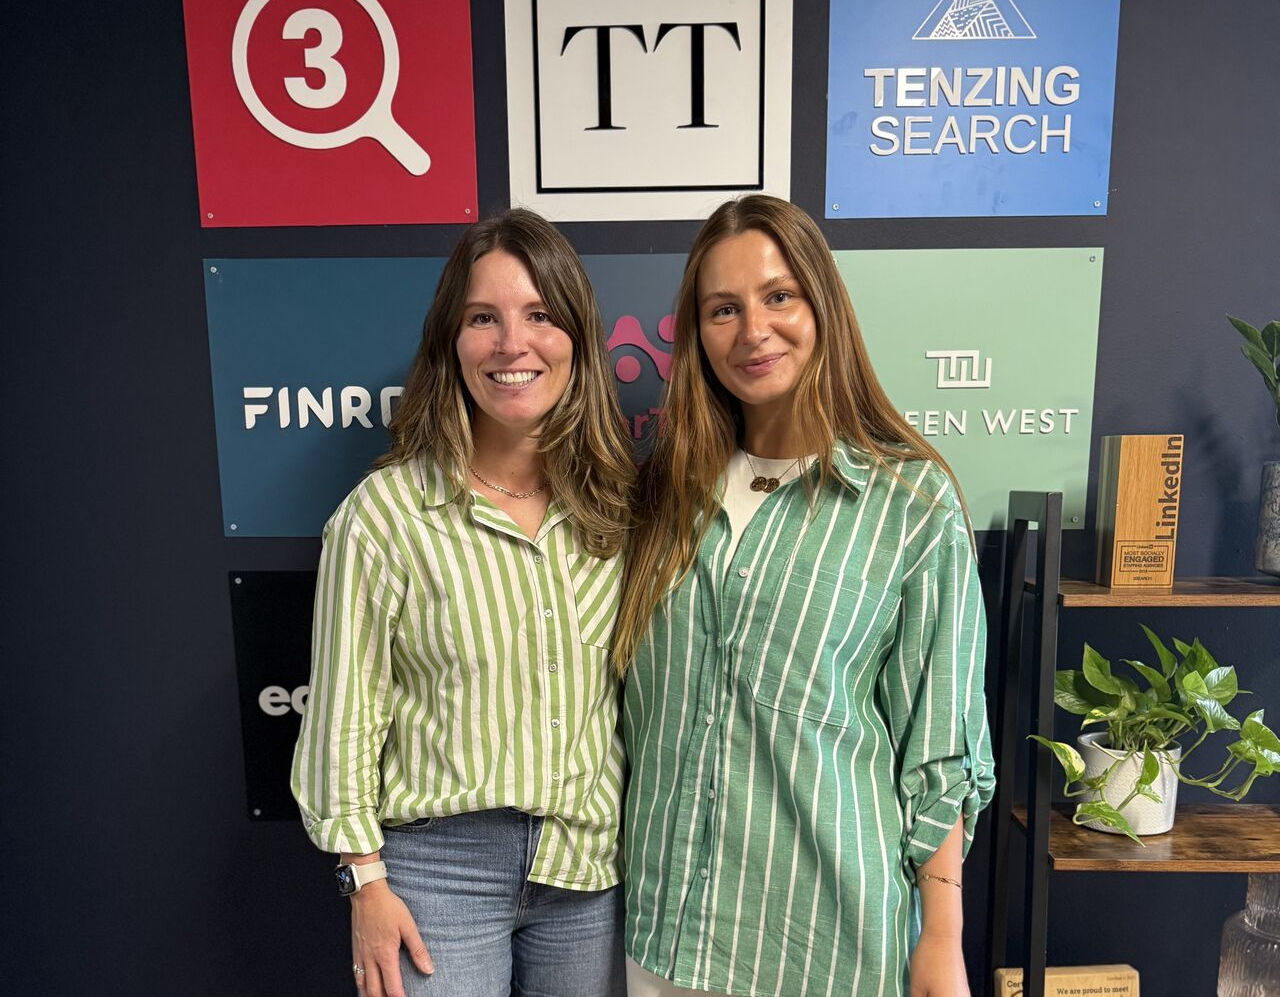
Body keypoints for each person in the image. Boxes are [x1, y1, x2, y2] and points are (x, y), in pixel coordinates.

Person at [612, 195, 996, 997]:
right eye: (723, 309)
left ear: (822, 304)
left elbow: (940, 745)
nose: (753, 330)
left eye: (778, 296)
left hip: (827, 950)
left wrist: (942, 937)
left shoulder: (910, 505)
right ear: (697, 333)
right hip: (665, 939)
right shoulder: (658, 498)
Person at [292, 209, 634, 997]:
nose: (513, 343)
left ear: (578, 339)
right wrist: (364, 880)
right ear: (451, 341)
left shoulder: (618, 511)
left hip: (585, 870)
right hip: (436, 874)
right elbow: (344, 713)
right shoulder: (384, 515)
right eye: (484, 318)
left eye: (540, 315)